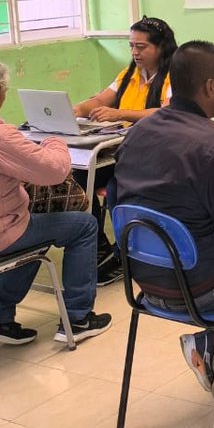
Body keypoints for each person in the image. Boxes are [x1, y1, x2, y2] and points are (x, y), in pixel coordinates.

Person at [114, 40, 214, 402]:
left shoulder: (136, 133)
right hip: (204, 290)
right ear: (210, 87)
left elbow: (117, 208)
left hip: (145, 283)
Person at [0, 49, 111, 345]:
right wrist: (55, 139)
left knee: (34, 226)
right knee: (83, 226)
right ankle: (78, 318)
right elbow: (54, 171)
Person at [74, 15, 178, 285]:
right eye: (131, 46)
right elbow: (101, 99)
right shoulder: (128, 74)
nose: (135, 52)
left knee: (113, 185)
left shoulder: (173, 76)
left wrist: (119, 113)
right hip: (119, 150)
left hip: (152, 155)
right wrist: (78, 109)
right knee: (77, 178)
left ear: (161, 47)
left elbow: (167, 113)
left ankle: (122, 252)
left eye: (141, 47)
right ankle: (97, 247)